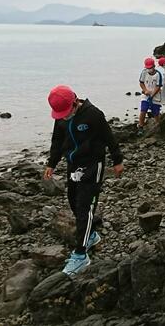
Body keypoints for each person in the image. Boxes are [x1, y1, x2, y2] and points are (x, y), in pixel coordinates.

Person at [44, 85, 124, 275]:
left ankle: (80, 255)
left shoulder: (93, 114)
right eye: (60, 115)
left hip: (92, 164)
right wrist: (52, 163)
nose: (63, 117)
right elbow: (57, 140)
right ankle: (91, 235)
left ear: (75, 102)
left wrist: (117, 160)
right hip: (73, 164)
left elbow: (109, 137)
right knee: (73, 200)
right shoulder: (61, 118)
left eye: (66, 113)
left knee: (84, 207)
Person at [138, 57, 163, 131]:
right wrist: (145, 90)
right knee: (143, 109)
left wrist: (152, 95)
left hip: (156, 95)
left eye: (150, 68)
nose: (149, 69)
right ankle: (141, 126)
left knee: (156, 113)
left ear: (154, 66)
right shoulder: (144, 72)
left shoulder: (158, 74)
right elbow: (141, 83)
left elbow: (158, 86)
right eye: (147, 68)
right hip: (146, 95)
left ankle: (159, 126)